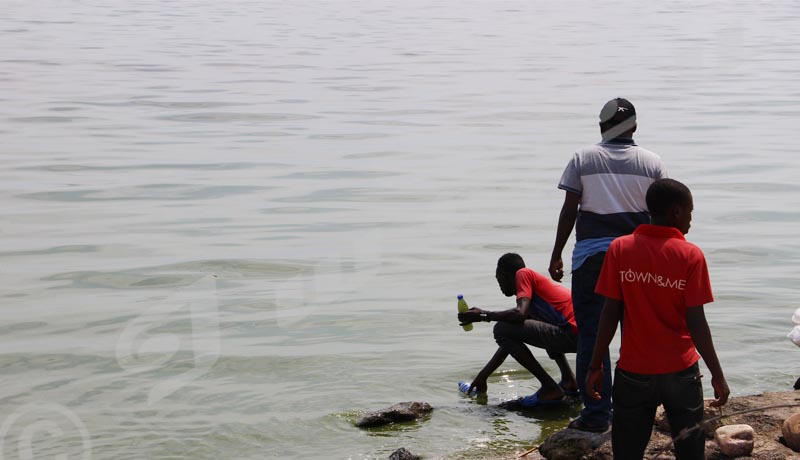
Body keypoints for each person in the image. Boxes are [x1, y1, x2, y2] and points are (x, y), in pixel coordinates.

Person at [586, 178, 730, 460]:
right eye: (690, 211)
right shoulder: (690, 254)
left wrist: (595, 366)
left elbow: (610, 313)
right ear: (676, 211)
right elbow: (696, 322)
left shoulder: (620, 249)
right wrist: (717, 374)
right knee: (690, 453)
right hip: (681, 371)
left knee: (627, 453)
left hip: (633, 371)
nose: (690, 219)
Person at [548, 98, 667, 431]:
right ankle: (633, 412)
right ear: (634, 127)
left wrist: (557, 253)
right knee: (637, 336)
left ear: (601, 127)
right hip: (639, 259)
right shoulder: (652, 162)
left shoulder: (583, 158)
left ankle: (597, 414)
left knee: (591, 336)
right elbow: (661, 216)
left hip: (593, 260)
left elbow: (569, 211)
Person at [458, 253, 579, 407]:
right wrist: (483, 376)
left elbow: (518, 315)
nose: (500, 286)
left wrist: (483, 315)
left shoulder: (523, 274)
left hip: (573, 332)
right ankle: (569, 380)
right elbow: (508, 344)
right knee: (508, 329)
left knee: (501, 328)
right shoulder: (534, 301)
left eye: (499, 280)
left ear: (505, 275)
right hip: (582, 335)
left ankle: (550, 388)